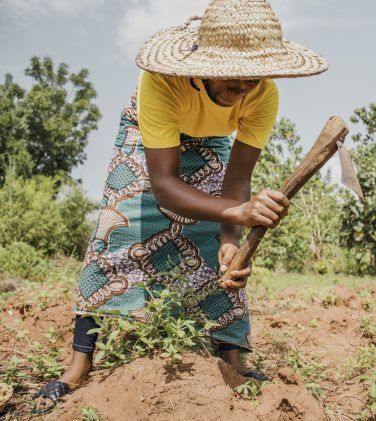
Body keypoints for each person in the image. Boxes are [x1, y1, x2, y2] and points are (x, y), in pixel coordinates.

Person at [32, 0, 328, 414]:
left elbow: (237, 180)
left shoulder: (262, 96)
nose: (243, 89)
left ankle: (231, 360)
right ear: (208, 64)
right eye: (234, 79)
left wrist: (230, 238)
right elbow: (166, 187)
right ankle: (78, 367)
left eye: (255, 79)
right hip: (148, 139)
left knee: (215, 249)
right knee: (116, 231)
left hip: (211, 142)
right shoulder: (162, 81)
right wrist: (236, 212)